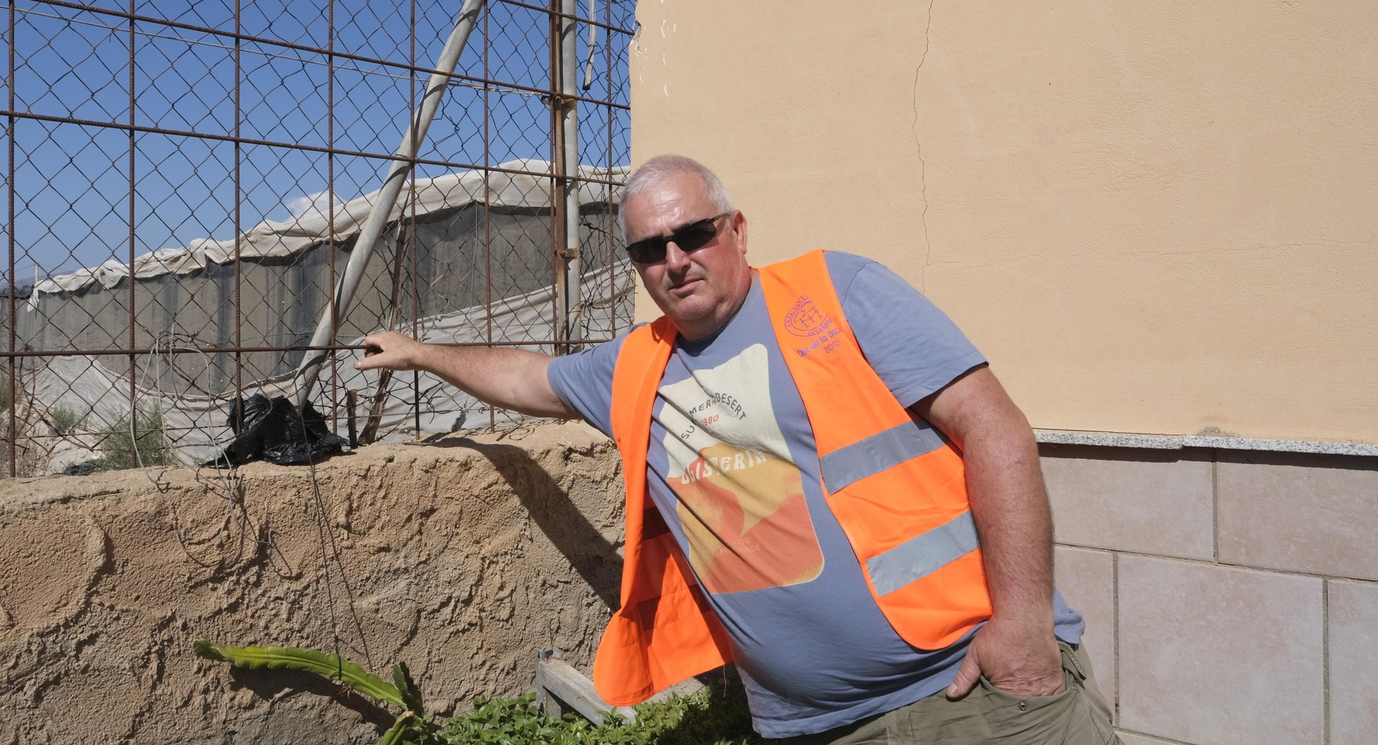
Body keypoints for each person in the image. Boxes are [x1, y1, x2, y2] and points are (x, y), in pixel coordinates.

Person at [355, 155, 1118, 744]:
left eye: (694, 233)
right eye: (652, 249)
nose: (676, 259)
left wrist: (1022, 623)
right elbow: (526, 376)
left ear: (738, 231)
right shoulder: (634, 365)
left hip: (966, 694)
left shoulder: (836, 290)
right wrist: (420, 351)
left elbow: (996, 428)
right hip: (807, 726)